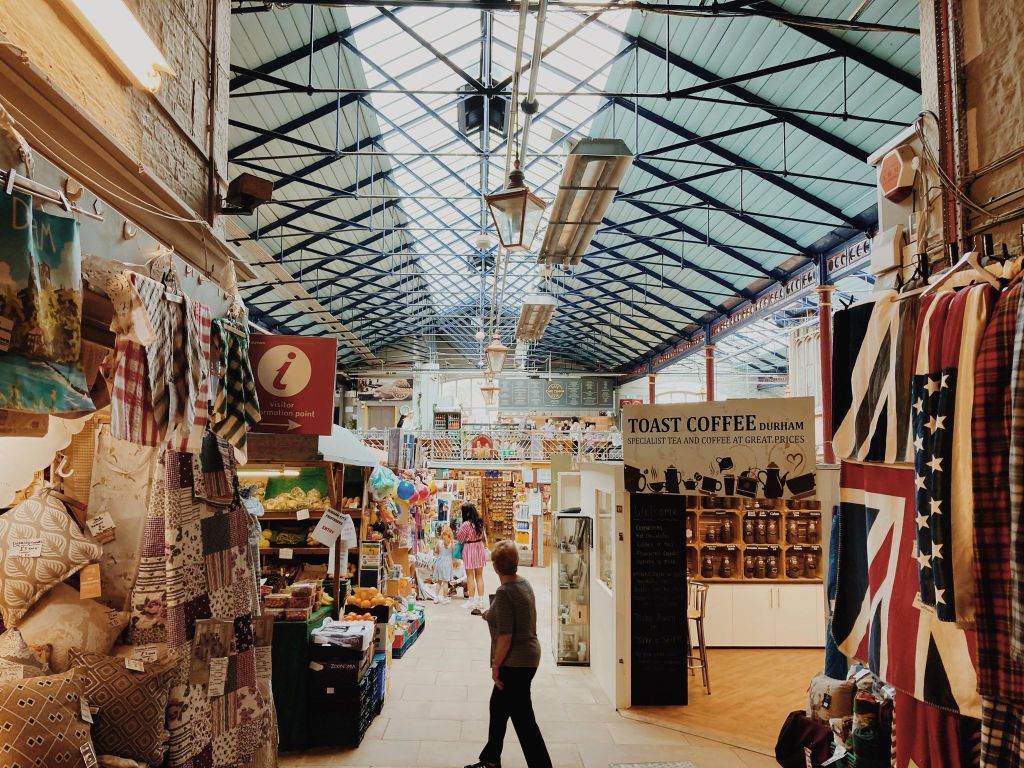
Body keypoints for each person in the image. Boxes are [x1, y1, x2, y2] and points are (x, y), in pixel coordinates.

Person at [466, 540, 551, 768]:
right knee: (499, 707)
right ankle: (491, 759)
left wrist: (496, 666)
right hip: (529, 657)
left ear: (495, 566)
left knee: (524, 720)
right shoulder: (524, 583)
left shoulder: (504, 593)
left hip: (516, 663)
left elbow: (506, 636)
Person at [456, 502, 488, 614]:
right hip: (479, 547)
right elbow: (483, 536)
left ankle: (471, 600)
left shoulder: (465, 524)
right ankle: (481, 600)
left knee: (470, 575)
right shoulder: (480, 522)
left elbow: (459, 538)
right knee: (479, 575)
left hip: (469, 548)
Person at [431, 525, 455, 603]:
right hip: (447, 563)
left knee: (439, 581)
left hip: (439, 562)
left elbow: (436, 551)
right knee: (445, 582)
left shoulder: (439, 542)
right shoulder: (452, 544)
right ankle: (445, 598)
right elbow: (453, 554)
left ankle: (436, 597)